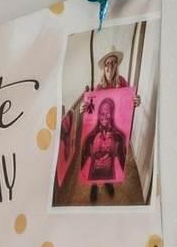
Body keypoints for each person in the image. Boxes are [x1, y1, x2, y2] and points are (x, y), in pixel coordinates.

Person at [57, 46, 138, 205]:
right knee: (95, 151)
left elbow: (127, 103)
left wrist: (135, 102)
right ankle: (94, 185)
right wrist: (82, 108)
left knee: (112, 152)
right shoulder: (99, 87)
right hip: (99, 129)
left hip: (114, 127)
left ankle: (108, 181)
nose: (109, 66)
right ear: (104, 67)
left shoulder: (122, 82)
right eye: (107, 63)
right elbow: (91, 108)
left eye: (113, 63)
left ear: (116, 65)